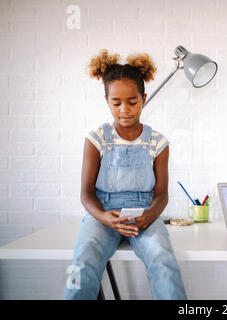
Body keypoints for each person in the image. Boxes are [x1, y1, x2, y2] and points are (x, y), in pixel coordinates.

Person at [64, 49, 187, 300]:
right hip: (103, 212)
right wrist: (103, 217)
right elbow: (86, 194)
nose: (124, 110)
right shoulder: (96, 139)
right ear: (107, 101)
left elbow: (161, 193)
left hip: (144, 212)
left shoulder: (158, 141)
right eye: (116, 103)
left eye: (132, 102)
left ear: (143, 98)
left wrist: (150, 215)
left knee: (162, 258)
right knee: (83, 260)